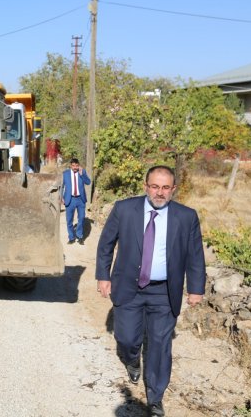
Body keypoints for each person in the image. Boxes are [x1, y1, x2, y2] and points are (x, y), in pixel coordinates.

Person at [95, 165, 206, 417]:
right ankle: (132, 360)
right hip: (128, 287)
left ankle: (155, 398)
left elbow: (195, 256)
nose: (160, 192)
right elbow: (106, 244)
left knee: (159, 346)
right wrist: (103, 275)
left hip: (164, 293)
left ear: (173, 189)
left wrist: (196, 288)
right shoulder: (124, 209)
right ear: (146, 186)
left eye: (166, 187)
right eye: (155, 186)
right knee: (126, 338)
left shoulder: (186, 216)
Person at [61, 158, 90, 245]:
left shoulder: (82, 172)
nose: (75, 167)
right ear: (71, 165)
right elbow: (61, 186)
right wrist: (61, 197)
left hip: (80, 199)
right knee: (69, 220)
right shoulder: (65, 174)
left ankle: (79, 236)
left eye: (76, 166)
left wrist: (82, 175)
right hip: (70, 199)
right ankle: (71, 237)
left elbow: (88, 182)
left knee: (81, 218)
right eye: (73, 166)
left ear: (78, 165)